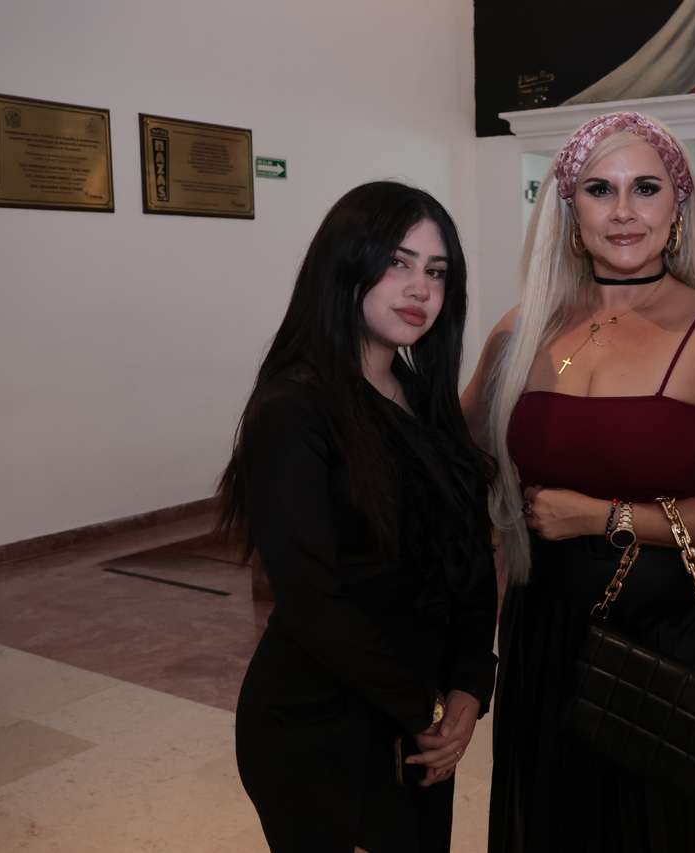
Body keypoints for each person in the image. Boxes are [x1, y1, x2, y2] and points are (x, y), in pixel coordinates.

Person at [462, 112, 695, 852]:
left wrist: (602, 517)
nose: (625, 210)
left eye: (646, 188)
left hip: (671, 630)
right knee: (558, 817)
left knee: (668, 829)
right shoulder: (523, 328)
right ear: (570, 211)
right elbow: (453, 454)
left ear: (678, 207)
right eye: (600, 189)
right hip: (547, 620)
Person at [217, 182, 498, 852]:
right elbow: (311, 600)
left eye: (437, 271)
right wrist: (428, 708)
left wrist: (469, 683)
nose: (420, 288)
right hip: (320, 723)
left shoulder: (424, 399)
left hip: (419, 721)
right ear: (344, 264)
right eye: (397, 262)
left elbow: (467, 555)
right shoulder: (294, 407)